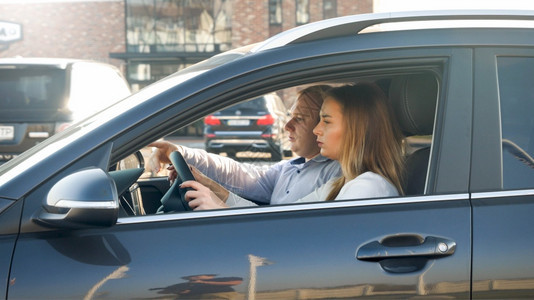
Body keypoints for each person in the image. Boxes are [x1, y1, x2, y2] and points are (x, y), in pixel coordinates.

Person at [182, 82, 405, 210]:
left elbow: (291, 239)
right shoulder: (343, 184)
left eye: (326, 121)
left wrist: (219, 209)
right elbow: (276, 220)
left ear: (357, 130)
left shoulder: (367, 189)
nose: (318, 130)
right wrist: (210, 187)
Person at [148, 85, 341, 205]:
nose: (287, 126)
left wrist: (218, 201)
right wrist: (183, 155)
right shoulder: (291, 167)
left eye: (299, 119)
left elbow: (278, 227)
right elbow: (239, 174)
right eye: (290, 116)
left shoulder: (336, 174)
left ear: (322, 125)